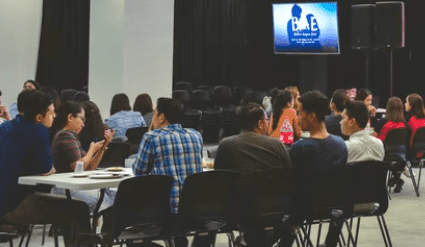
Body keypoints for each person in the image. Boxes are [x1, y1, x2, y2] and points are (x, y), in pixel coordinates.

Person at [0, 90, 90, 245]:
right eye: (51, 112)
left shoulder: (6, 126)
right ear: (39, 117)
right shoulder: (39, 130)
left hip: (4, 199)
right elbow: (47, 170)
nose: (54, 117)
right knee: (79, 208)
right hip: (16, 203)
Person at [215, 103, 292, 247]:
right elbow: (288, 175)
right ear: (260, 123)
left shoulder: (226, 144)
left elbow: (219, 180)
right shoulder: (277, 145)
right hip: (276, 209)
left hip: (239, 212)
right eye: (267, 119)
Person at [289, 91, 348, 247]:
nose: (298, 117)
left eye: (300, 112)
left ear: (312, 115)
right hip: (334, 206)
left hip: (303, 207)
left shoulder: (300, 148)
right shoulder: (341, 144)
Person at [132, 97, 203, 213]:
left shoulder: (151, 137)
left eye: (154, 114)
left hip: (166, 210)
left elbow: (139, 172)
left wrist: (151, 131)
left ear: (161, 117)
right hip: (195, 209)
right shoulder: (196, 135)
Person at [50, 102, 115, 212]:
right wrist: (92, 150)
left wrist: (102, 148)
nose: (83, 124)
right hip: (66, 189)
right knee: (110, 199)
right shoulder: (65, 135)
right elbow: (77, 167)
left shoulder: (71, 136)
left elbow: (90, 168)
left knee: (114, 196)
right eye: (82, 119)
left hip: (72, 188)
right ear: (70, 117)